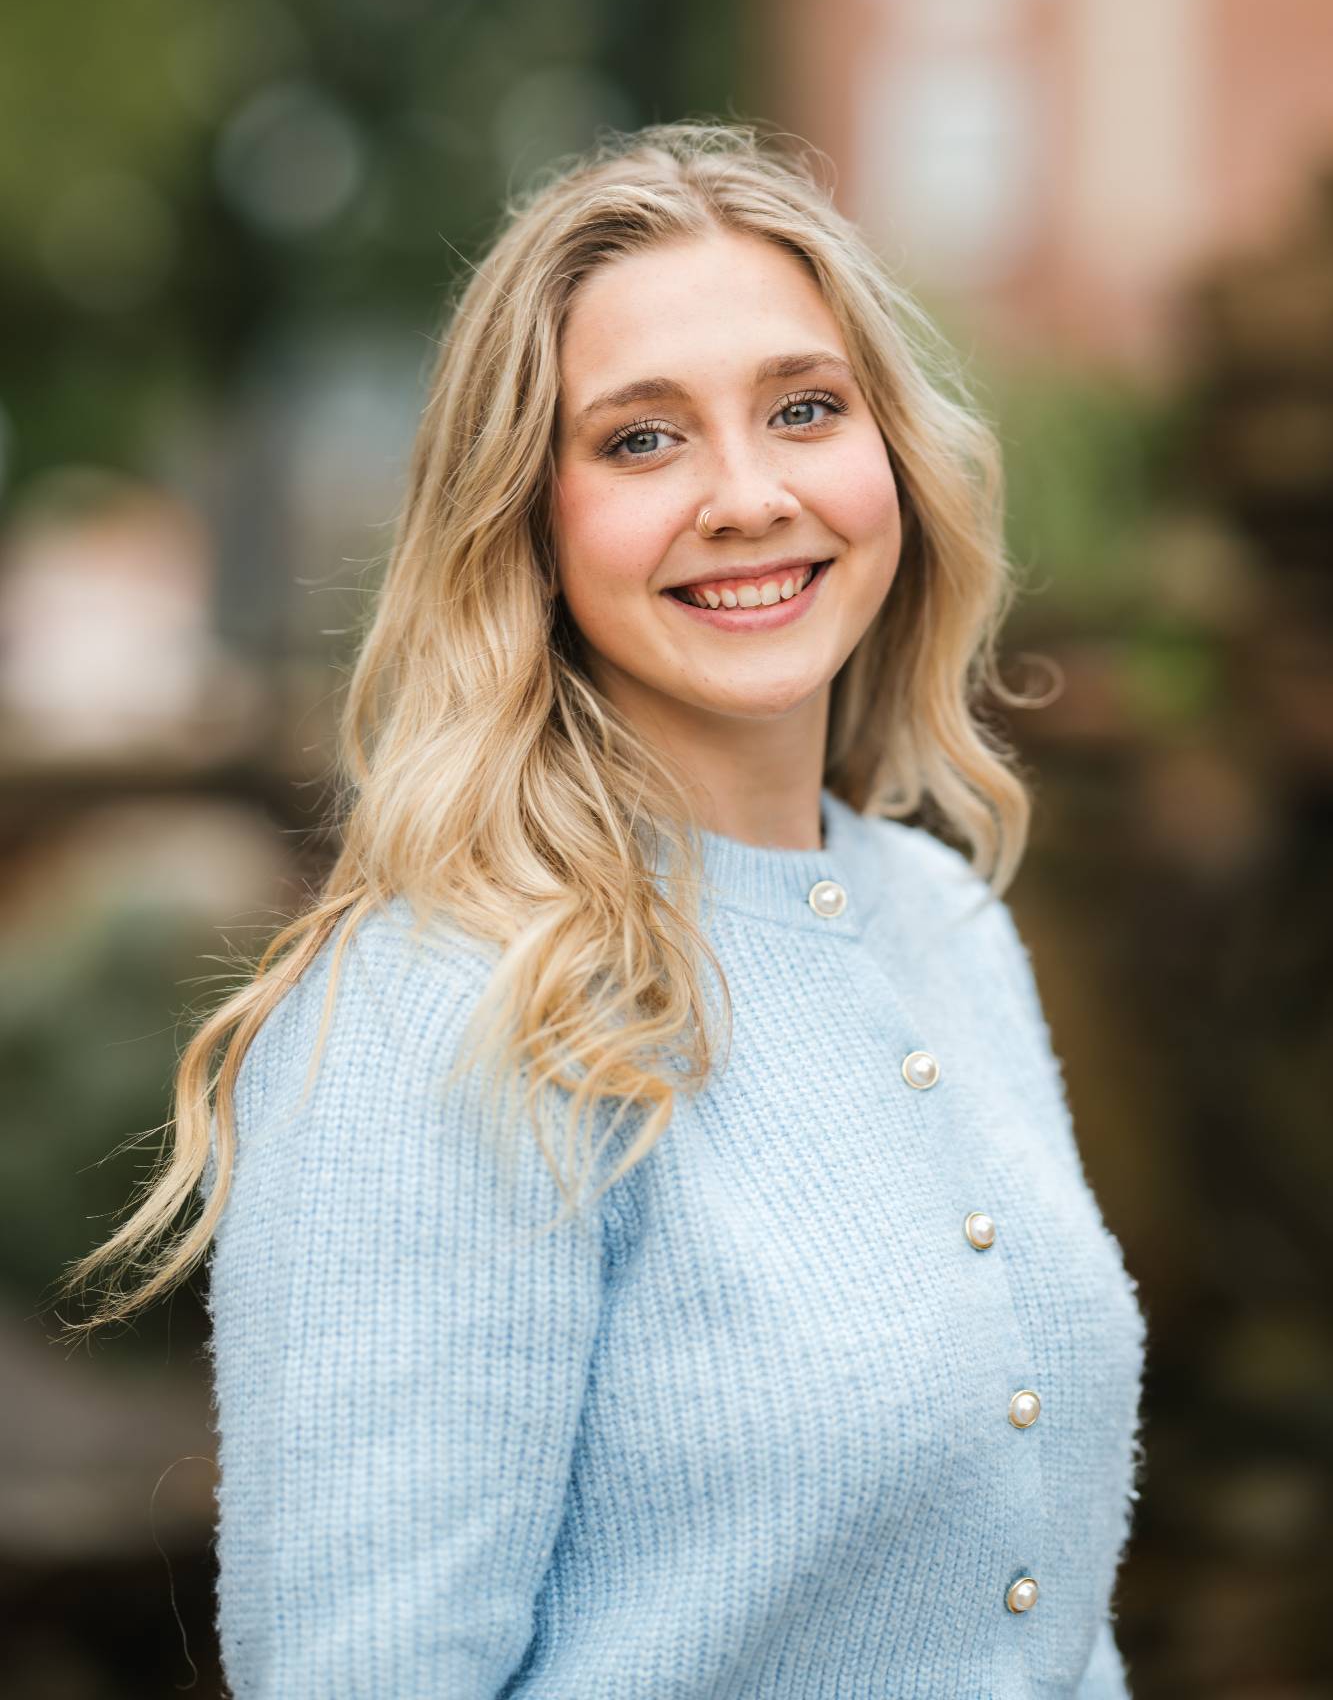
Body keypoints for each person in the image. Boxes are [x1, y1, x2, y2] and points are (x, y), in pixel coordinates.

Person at [62, 119, 1148, 1697]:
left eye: (803, 408)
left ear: (891, 455)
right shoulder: (445, 1006)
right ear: (527, 522)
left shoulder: (944, 922)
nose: (746, 493)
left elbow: (1048, 1620)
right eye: (640, 440)